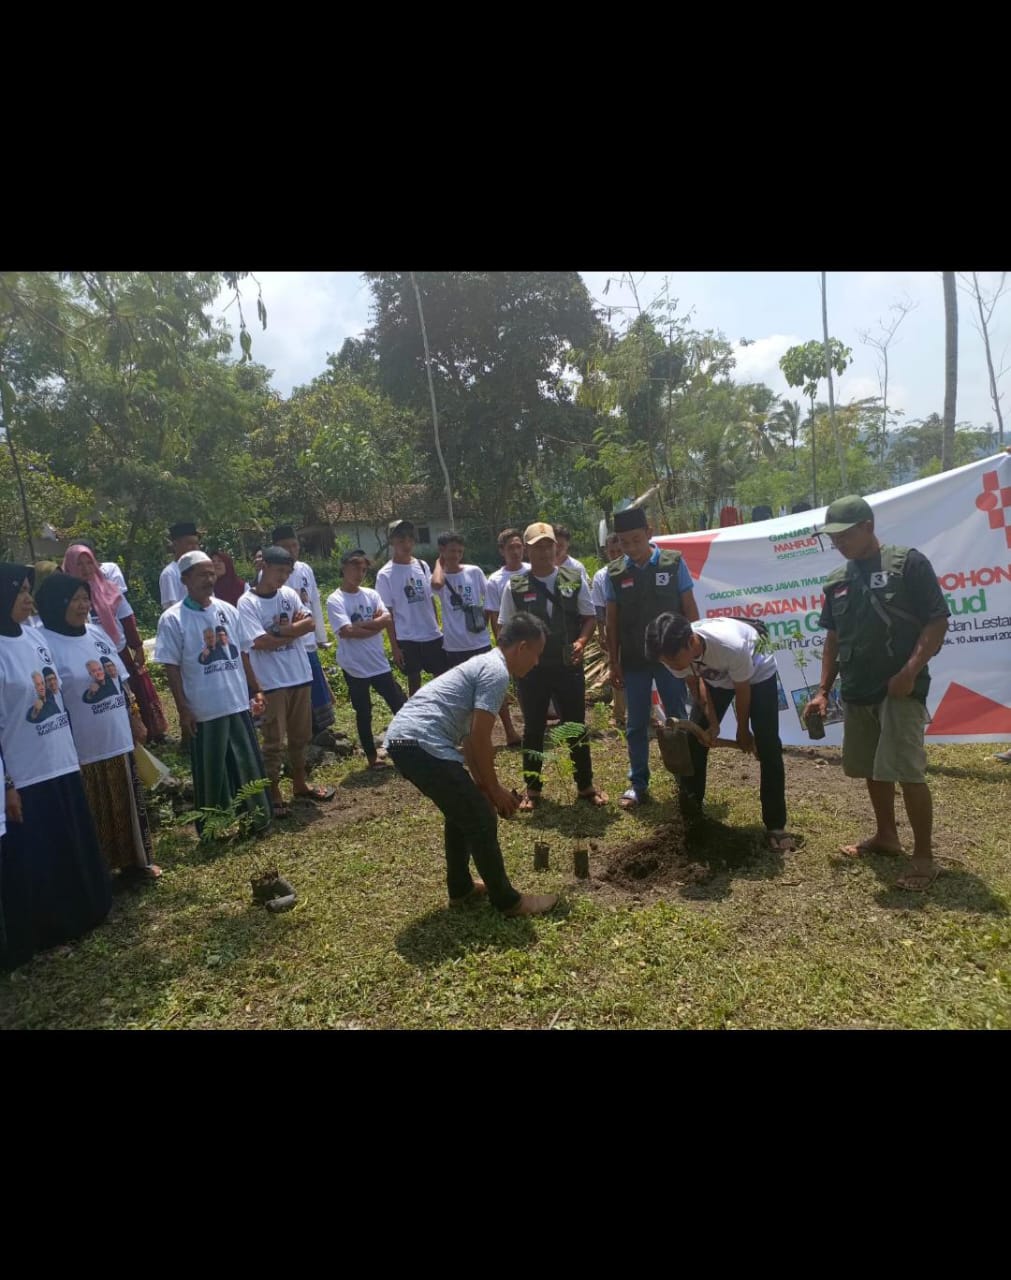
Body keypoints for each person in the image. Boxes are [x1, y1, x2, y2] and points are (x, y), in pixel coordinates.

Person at [805, 495, 950, 891]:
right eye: (832, 536)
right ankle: (887, 836)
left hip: (900, 690)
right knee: (871, 767)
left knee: (908, 771)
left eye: (845, 534)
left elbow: (937, 622)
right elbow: (833, 639)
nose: (838, 543)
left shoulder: (908, 564)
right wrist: (823, 691)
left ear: (868, 526)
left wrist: (910, 671)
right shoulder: (837, 581)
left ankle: (924, 857)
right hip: (857, 690)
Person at [386, 613, 559, 917]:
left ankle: (462, 890)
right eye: (537, 654)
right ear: (521, 648)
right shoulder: (496, 672)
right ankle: (508, 901)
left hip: (408, 742)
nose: (536, 662)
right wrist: (494, 790)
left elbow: (468, 741)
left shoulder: (484, 664)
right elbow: (481, 738)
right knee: (480, 817)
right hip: (420, 743)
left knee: (464, 810)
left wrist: (484, 787)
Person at [0, 564, 111, 969]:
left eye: (30, 590)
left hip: (59, 758)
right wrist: (8, 782)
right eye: (21, 592)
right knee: (40, 854)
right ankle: (51, 929)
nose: (30, 599)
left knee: (72, 841)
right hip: (26, 772)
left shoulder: (33, 638)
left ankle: (87, 910)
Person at [37, 572, 160, 882]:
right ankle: (99, 874)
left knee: (127, 804)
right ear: (55, 604)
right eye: (75, 600)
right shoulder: (45, 643)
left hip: (116, 737)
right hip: (82, 747)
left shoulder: (96, 635)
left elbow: (121, 682)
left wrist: (135, 717)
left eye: (85, 598)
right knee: (94, 811)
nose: (83, 606)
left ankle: (136, 864)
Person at [646, 613, 794, 852]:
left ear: (691, 642)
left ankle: (775, 825)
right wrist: (712, 724)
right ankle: (691, 818)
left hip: (756, 673)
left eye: (673, 661)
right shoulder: (672, 652)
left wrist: (743, 731)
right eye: (666, 662)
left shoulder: (728, 645)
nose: (671, 666)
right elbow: (695, 682)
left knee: (768, 746)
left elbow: (743, 690)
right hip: (715, 678)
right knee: (694, 743)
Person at [154, 550, 272, 835]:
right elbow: (171, 666)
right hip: (204, 709)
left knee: (247, 765)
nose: (209, 579)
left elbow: (243, 653)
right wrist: (183, 709)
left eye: (211, 573)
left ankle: (256, 820)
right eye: (201, 574)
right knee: (211, 772)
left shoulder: (227, 610)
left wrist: (256, 689)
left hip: (235, 702)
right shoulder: (173, 619)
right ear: (185, 580)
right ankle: (213, 830)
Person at [498, 523, 607, 810]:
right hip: (531, 671)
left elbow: (589, 617)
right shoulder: (516, 585)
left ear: (556, 547)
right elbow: (505, 626)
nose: (544, 551)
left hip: (567, 665)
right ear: (527, 550)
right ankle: (532, 790)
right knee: (533, 729)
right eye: (537, 547)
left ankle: (585, 786)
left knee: (575, 727)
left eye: (549, 545)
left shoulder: (574, 578)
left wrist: (582, 643)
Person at [606, 506, 700, 810]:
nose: (630, 548)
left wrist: (695, 651)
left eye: (636, 539)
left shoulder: (674, 563)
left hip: (671, 660)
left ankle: (685, 779)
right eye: (624, 542)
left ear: (649, 533)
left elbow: (689, 607)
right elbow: (612, 621)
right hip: (634, 661)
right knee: (635, 724)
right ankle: (638, 783)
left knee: (677, 717)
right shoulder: (616, 573)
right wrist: (613, 661)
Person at [237, 546, 334, 816]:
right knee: (273, 741)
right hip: (271, 682)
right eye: (279, 570)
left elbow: (310, 623)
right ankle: (273, 791)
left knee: (300, 736)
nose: (283, 576)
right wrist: (291, 631)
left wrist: (279, 631)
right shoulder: (247, 602)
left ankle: (300, 783)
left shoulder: (289, 595)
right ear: (263, 566)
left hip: (299, 675)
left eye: (287, 572)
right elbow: (259, 642)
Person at [62, 543, 168, 744]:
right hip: (83, 656)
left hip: (117, 651)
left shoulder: (108, 589)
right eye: (79, 564)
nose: (85, 569)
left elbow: (126, 618)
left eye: (89, 563)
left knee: (132, 692)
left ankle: (146, 734)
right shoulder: (64, 597)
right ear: (69, 567)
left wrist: (137, 647)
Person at [327, 549, 406, 768]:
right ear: (344, 568)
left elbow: (387, 617)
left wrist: (361, 626)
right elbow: (346, 631)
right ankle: (372, 757)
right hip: (354, 666)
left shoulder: (371, 594)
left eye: (363, 569)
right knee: (364, 711)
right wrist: (373, 626)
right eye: (355, 568)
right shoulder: (335, 599)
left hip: (378, 662)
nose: (359, 573)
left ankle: (405, 747)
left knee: (399, 704)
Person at [272, 524, 336, 735]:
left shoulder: (304, 568)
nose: (292, 550)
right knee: (297, 688)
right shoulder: (273, 573)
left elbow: (314, 601)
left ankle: (321, 728)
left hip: (308, 638)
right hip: (288, 640)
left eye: (294, 545)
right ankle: (301, 729)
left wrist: (320, 637)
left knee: (315, 683)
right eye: (286, 546)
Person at [375, 518, 447, 695]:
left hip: (431, 634)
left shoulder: (422, 566)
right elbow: (387, 613)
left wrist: (436, 625)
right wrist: (394, 646)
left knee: (442, 678)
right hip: (407, 637)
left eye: (409, 539)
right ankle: (416, 717)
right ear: (392, 542)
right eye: (400, 540)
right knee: (414, 681)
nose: (406, 544)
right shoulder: (385, 574)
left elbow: (430, 599)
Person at [590, 530, 626, 729]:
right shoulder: (601, 576)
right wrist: (601, 633)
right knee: (616, 670)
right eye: (611, 551)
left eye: (618, 550)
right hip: (613, 631)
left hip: (632, 630)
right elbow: (598, 607)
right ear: (606, 552)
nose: (615, 554)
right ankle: (619, 715)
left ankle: (648, 713)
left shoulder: (633, 569)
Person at [159, 521, 200, 608]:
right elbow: (170, 608)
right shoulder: (170, 573)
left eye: (196, 544)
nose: (194, 548)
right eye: (190, 544)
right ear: (175, 545)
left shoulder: (201, 569)